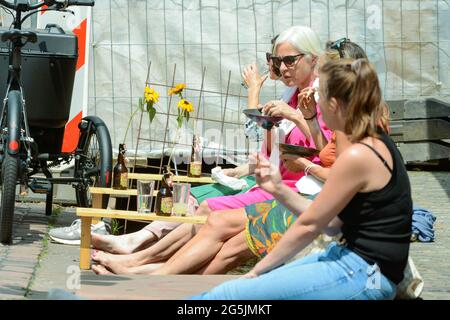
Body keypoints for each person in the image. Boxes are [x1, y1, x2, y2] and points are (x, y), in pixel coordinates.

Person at [90, 37, 366, 276]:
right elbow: (278, 147)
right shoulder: (300, 98)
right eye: (274, 61)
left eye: (289, 61)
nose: (281, 68)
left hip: (301, 193)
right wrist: (246, 167)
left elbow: (323, 161)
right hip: (283, 185)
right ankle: (142, 260)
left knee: (213, 215)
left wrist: (270, 106)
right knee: (200, 204)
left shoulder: (331, 111)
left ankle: (144, 267)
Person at [189, 58, 412, 300]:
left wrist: (255, 273)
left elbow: (310, 224)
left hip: (364, 274)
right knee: (233, 291)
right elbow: (330, 222)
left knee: (228, 296)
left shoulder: (358, 155)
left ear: (334, 104)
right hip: (357, 263)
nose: (315, 102)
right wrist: (277, 188)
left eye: (319, 95)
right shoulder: (371, 140)